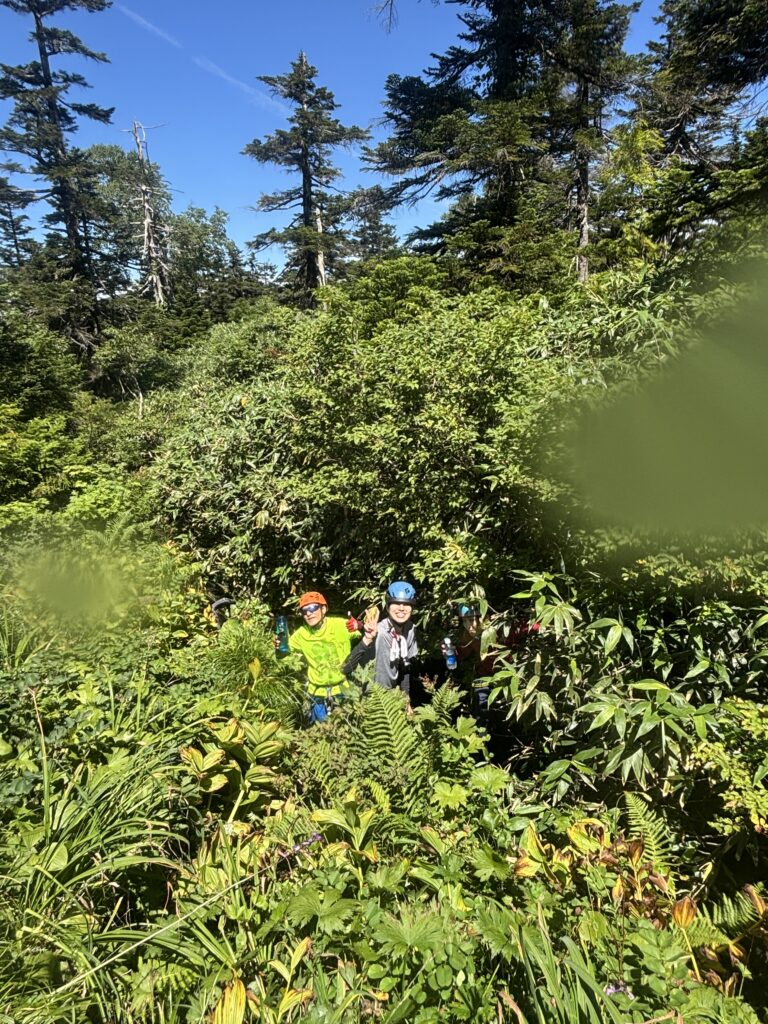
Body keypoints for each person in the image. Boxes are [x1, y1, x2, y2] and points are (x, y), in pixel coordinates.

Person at [450, 603, 539, 723]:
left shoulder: (502, 629)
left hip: (510, 675)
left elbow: (526, 627)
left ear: (484, 618)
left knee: (507, 713)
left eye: (471, 620)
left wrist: (543, 625)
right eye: (464, 621)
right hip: (485, 675)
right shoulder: (469, 636)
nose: (468, 625)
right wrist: (450, 652)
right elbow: (462, 653)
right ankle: (481, 731)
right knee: (481, 708)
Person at [276, 591, 356, 724]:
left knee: (347, 729)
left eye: (313, 608)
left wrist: (360, 625)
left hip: (342, 689)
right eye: (304, 611)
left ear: (323, 609)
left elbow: (369, 634)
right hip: (317, 693)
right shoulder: (301, 634)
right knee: (320, 732)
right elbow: (282, 654)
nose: (308, 613)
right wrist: (278, 647)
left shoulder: (341, 625)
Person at [342, 581, 419, 710]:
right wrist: (367, 639)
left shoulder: (410, 629)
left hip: (388, 698)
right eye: (396, 603)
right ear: (387, 607)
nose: (401, 608)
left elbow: (404, 668)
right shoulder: (379, 631)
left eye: (406, 604)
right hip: (364, 699)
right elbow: (345, 669)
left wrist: (406, 700)